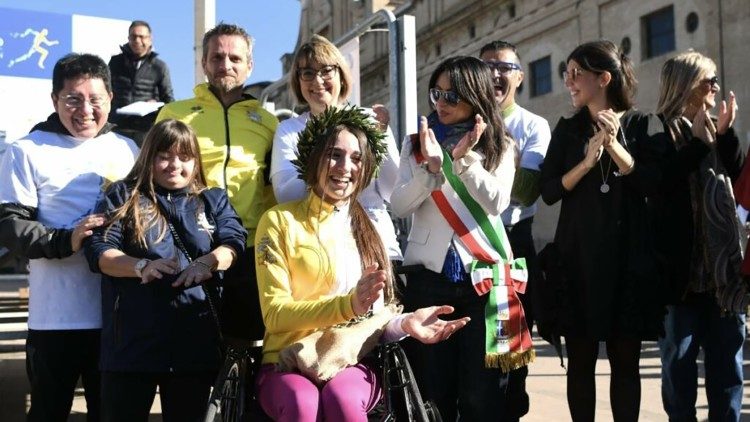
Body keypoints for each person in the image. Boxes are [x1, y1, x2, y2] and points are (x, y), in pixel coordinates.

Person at [254, 105, 470, 421]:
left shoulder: (368, 228)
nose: (345, 167)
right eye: (334, 154)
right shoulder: (277, 221)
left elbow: (375, 320)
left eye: (356, 158)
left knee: (343, 399)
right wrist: (348, 305)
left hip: (350, 359)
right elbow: (274, 315)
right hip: (285, 360)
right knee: (303, 404)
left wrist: (405, 323)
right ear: (313, 158)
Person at [0, 53, 139, 421]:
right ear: (54, 100)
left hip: (115, 318)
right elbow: (10, 225)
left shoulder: (127, 149)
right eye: (73, 99)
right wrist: (67, 239)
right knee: (49, 411)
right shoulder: (26, 149)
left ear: (111, 98)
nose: (86, 110)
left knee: (110, 413)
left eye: (95, 99)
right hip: (55, 319)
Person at [84, 119, 247, 422]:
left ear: (196, 160)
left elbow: (234, 243)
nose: (175, 165)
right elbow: (100, 252)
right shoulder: (124, 195)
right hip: (132, 344)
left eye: (185, 157)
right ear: (149, 157)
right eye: (164, 156)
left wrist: (206, 262)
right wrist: (140, 266)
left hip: (194, 344)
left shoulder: (213, 199)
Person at [539, 40, 668, 422]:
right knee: (580, 363)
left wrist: (615, 148)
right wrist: (586, 162)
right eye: (566, 74)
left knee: (625, 363)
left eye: (577, 73)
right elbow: (548, 192)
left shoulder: (643, 124)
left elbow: (653, 184)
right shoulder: (567, 129)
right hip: (577, 261)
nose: (569, 82)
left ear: (604, 78)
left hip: (628, 262)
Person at [390, 56, 524, 420]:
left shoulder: (500, 143)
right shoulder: (417, 144)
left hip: (486, 280)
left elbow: (497, 201)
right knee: (434, 394)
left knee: (484, 395)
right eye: (437, 93)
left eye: (453, 96)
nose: (441, 103)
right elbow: (399, 205)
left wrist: (465, 162)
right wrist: (429, 171)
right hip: (429, 280)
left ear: (476, 96)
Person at [156, 22, 278, 342]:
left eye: (235, 59)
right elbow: (151, 176)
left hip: (250, 251)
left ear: (249, 65)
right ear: (204, 63)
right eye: (217, 57)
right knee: (194, 354)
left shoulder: (268, 122)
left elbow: (275, 187)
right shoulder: (175, 113)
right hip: (190, 247)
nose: (226, 65)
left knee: (248, 349)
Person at [654, 51, 746, 422]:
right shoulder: (657, 129)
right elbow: (659, 186)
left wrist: (725, 136)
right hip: (680, 278)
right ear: (686, 84)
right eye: (708, 80)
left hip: (724, 275)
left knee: (728, 370)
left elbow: (742, 181)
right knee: (679, 369)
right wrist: (694, 145)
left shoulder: (715, 128)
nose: (715, 87)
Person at [270, 34, 401, 261]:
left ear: (341, 74)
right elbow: (286, 195)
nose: (317, 81)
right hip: (319, 252)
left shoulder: (370, 121)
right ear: (298, 81)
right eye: (308, 73)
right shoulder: (288, 130)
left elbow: (394, 191)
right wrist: (324, 158)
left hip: (377, 248)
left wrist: (383, 137)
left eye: (326, 71)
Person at [478, 39, 551, 421]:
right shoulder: (459, 120)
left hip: (511, 247)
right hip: (465, 249)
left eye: (504, 67)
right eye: (486, 65)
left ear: (519, 77)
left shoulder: (533, 125)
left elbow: (525, 191)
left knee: (507, 361)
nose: (494, 74)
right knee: (468, 357)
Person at [109, 20, 174, 146]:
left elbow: (169, 101)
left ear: (150, 39)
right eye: (133, 37)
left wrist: (156, 105)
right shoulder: (115, 63)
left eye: (141, 37)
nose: (137, 41)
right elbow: (105, 92)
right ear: (128, 38)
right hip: (118, 128)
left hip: (146, 131)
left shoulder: (160, 67)